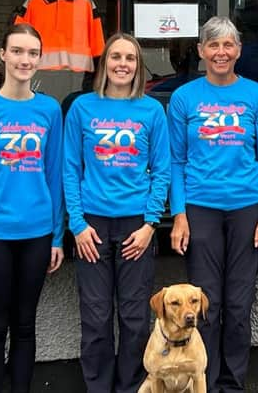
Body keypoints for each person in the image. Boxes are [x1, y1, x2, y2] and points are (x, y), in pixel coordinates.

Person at [168, 16, 258, 392]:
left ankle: (232, 385)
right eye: (213, 45)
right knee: (203, 306)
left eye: (228, 45)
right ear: (200, 51)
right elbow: (176, 163)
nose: (220, 52)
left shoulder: (256, 96)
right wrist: (179, 215)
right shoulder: (184, 98)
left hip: (247, 208)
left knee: (238, 306)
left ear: (238, 51)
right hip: (200, 208)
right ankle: (205, 382)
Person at [0, 23, 65, 393]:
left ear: (40, 59)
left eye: (32, 53)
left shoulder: (50, 110)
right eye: (17, 51)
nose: (25, 59)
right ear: (3, 55)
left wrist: (56, 237)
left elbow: (55, 176)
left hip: (37, 234)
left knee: (25, 325)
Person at [63, 32, 171, 393]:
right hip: (91, 226)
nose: (122, 64)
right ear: (103, 63)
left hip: (135, 227)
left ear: (138, 66)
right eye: (115, 57)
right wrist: (77, 224)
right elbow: (69, 169)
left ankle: (131, 388)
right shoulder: (82, 108)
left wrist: (150, 225)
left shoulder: (152, 110)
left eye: (130, 58)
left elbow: (163, 171)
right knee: (95, 319)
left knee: (135, 319)